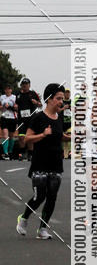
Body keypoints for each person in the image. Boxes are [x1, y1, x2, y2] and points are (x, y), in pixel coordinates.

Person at [16, 84, 67, 239]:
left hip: (56, 162)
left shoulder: (59, 118)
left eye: (62, 99)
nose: (61, 102)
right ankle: (23, 218)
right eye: (58, 98)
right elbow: (27, 138)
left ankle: (42, 229)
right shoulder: (38, 117)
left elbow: (60, 135)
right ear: (49, 99)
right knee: (40, 196)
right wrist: (43, 135)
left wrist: (73, 137)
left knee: (52, 197)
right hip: (40, 162)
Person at [15, 79, 41, 161]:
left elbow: (41, 104)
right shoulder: (17, 94)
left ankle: (30, 154)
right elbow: (15, 104)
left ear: (29, 85)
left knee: (29, 137)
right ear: (21, 85)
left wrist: (36, 102)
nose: (24, 85)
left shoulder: (33, 93)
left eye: (26, 84)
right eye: (23, 84)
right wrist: (15, 106)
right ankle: (22, 154)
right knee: (21, 137)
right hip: (21, 119)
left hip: (31, 119)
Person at [0, 85, 19, 160]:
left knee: (11, 136)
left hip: (12, 118)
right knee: (5, 135)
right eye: (6, 89)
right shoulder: (2, 97)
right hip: (4, 117)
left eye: (9, 89)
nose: (7, 90)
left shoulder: (14, 97)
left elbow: (17, 107)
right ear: (5, 90)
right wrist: (4, 106)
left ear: (11, 90)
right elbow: (0, 106)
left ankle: (10, 151)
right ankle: (5, 153)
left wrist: (13, 107)